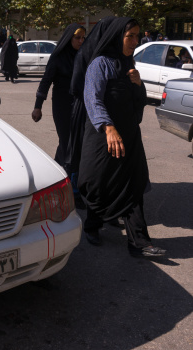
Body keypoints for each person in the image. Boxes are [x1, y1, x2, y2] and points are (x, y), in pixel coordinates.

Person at [78, 17, 166, 258]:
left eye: (138, 36)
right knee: (99, 183)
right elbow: (92, 99)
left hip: (129, 137)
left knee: (133, 185)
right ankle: (93, 226)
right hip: (103, 137)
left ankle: (139, 242)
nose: (136, 41)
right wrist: (108, 128)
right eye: (131, 36)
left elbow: (137, 102)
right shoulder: (100, 64)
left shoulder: (129, 64)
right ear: (118, 37)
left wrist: (139, 85)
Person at [31, 24, 86, 206]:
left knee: (73, 146)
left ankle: (58, 177)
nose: (80, 41)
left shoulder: (83, 56)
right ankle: (72, 189)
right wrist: (38, 106)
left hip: (80, 106)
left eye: (83, 38)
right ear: (69, 38)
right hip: (62, 107)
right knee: (67, 143)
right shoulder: (58, 57)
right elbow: (46, 81)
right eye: (77, 37)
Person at [67, 17, 116, 210]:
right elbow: (78, 87)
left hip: (98, 110)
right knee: (79, 150)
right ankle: (76, 190)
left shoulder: (108, 55)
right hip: (82, 108)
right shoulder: (87, 55)